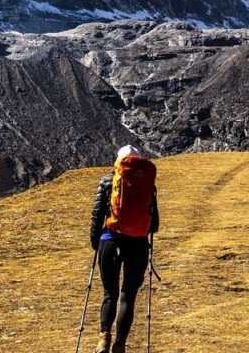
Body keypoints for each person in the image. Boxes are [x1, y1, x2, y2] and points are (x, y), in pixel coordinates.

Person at [89, 145, 159, 353]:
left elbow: (97, 215)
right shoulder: (148, 185)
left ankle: (103, 339)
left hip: (110, 240)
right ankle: (120, 344)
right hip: (137, 244)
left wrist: (97, 244)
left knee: (109, 293)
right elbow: (154, 224)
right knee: (128, 295)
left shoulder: (107, 182)